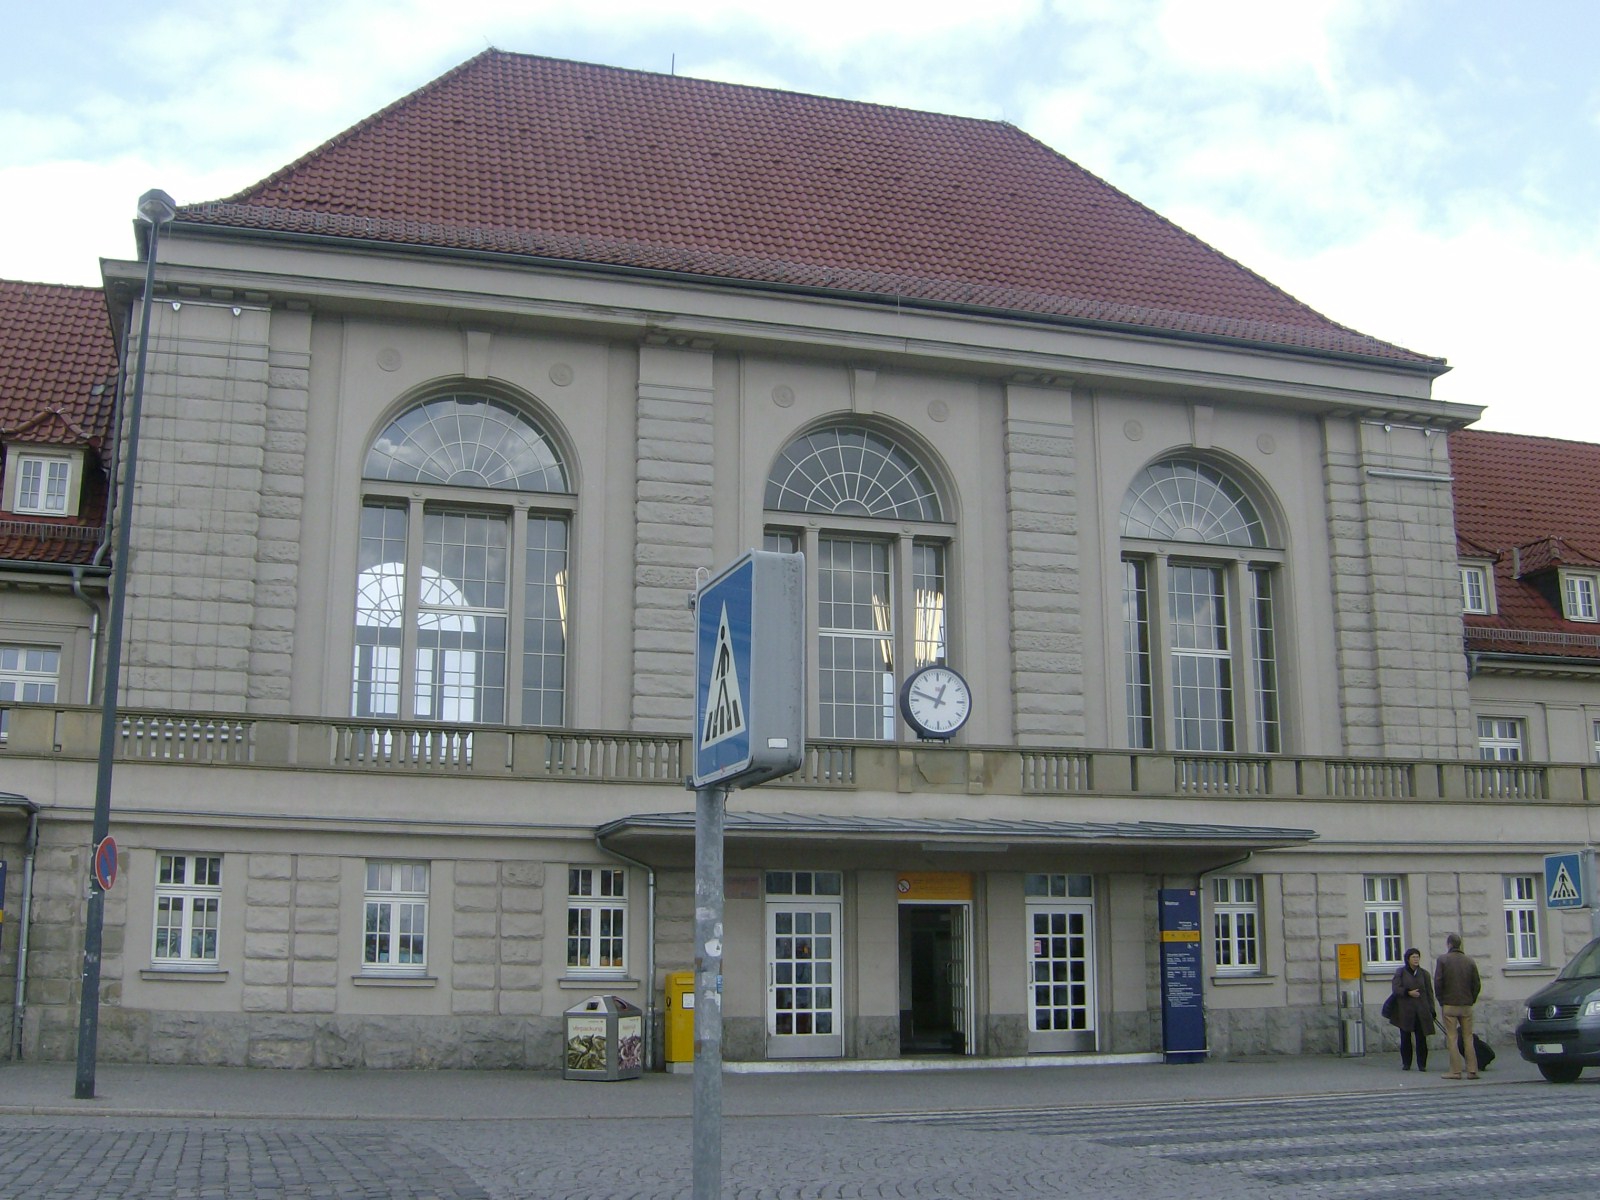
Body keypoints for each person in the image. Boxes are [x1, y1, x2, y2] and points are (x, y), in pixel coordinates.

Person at [1434, 932, 1482, 1079]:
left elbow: (1438, 982)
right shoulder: (1469, 961)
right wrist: (1471, 999)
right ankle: (1472, 1070)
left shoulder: (1443, 960)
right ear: (1459, 944)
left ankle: (1455, 1071)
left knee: (1452, 1037)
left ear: (1449, 944)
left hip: (1449, 1004)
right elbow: (1477, 984)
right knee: (1468, 1037)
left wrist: (1441, 1000)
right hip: (1466, 1005)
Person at [1387, 947, 1436, 1071]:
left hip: (1421, 1010)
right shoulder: (1401, 972)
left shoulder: (1424, 974)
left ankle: (1422, 1064)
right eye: (1413, 957)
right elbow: (1396, 989)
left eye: (1417, 957)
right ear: (1408, 959)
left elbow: (1429, 993)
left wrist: (1432, 1009)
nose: (1416, 959)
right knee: (1405, 1038)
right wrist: (1408, 992)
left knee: (1421, 1038)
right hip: (1405, 1011)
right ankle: (1406, 1063)